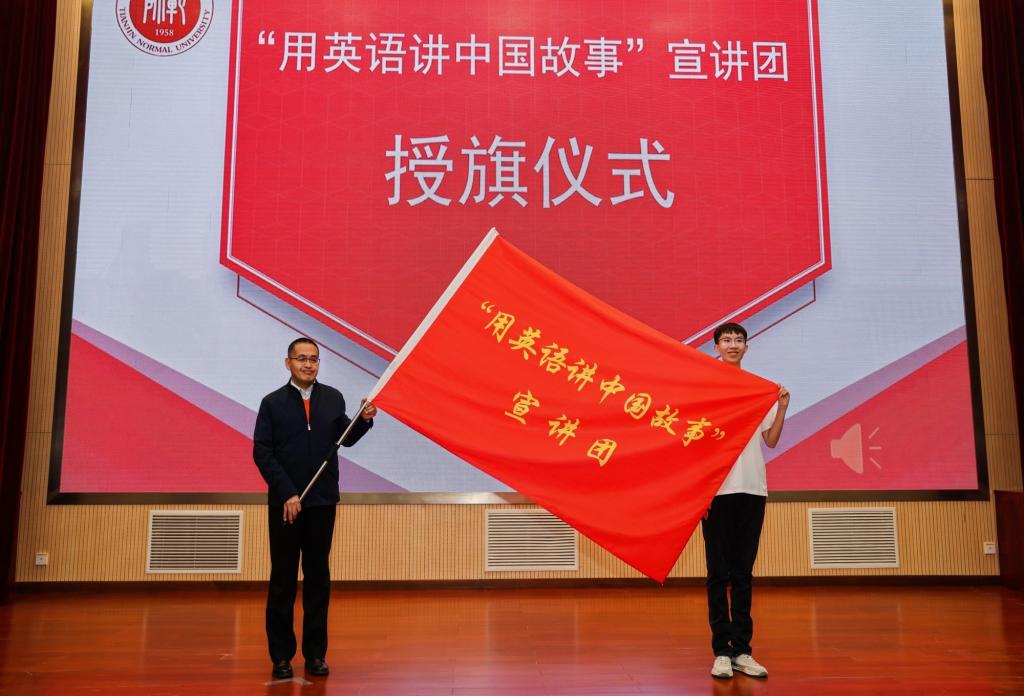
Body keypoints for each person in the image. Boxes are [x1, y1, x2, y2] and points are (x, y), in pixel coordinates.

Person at [253, 337, 377, 680]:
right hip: (286, 505)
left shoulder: (332, 398)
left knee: (318, 578)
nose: (308, 364)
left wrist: (363, 420)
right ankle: (281, 656)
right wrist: (287, 493)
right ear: (288, 363)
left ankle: (316, 654)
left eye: (314, 359)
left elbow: (344, 438)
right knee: (283, 580)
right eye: (302, 358)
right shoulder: (272, 403)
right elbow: (262, 452)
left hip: (322, 501)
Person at [702, 322, 789, 680]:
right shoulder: (706, 390)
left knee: (742, 573)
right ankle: (721, 651)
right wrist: (701, 490)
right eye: (727, 340)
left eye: (739, 340)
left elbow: (770, 440)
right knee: (717, 574)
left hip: (752, 489)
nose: (733, 345)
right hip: (716, 492)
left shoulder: (758, 389)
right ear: (716, 347)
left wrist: (781, 408)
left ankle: (742, 650)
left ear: (747, 347)